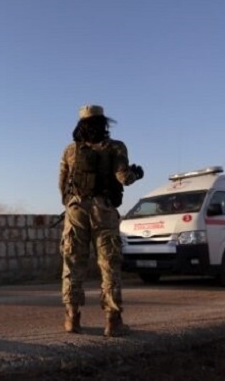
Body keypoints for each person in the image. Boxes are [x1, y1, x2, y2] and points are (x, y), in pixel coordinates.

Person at [58, 105, 144, 337]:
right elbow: (123, 178)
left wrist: (71, 203)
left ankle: (72, 318)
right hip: (103, 210)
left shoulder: (69, 150)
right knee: (109, 265)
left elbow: (62, 184)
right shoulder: (116, 147)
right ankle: (112, 321)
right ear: (104, 123)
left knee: (73, 264)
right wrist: (136, 173)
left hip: (76, 209)